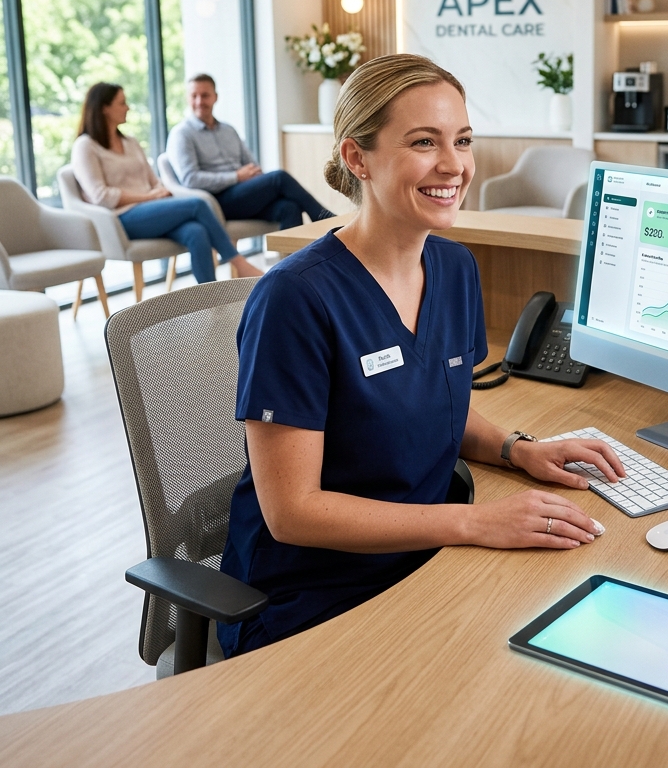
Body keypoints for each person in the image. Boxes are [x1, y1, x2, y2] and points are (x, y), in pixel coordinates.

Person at [217, 53, 626, 657]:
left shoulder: (454, 268)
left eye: (462, 140)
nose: (454, 165)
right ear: (357, 157)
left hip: (422, 562)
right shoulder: (295, 299)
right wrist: (475, 523)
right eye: (423, 142)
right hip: (308, 596)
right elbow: (293, 513)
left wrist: (519, 451)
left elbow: (440, 403)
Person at [71, 83, 262, 284]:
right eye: (122, 103)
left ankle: (209, 298)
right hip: (121, 218)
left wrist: (160, 191)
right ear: (104, 108)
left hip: (152, 211)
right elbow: (101, 196)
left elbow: (153, 180)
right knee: (197, 204)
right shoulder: (85, 146)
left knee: (196, 232)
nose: (127, 107)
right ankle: (240, 264)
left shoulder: (130, 142)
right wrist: (149, 197)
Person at [166, 73, 335, 228]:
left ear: (215, 97)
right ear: (187, 98)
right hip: (216, 201)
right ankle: (325, 219)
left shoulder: (228, 130)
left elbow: (252, 165)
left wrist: (250, 176)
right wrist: (236, 177)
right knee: (279, 177)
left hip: (243, 196)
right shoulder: (182, 134)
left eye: (205, 95)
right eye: (194, 96)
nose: (199, 101)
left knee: (289, 207)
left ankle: (296, 261)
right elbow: (190, 179)